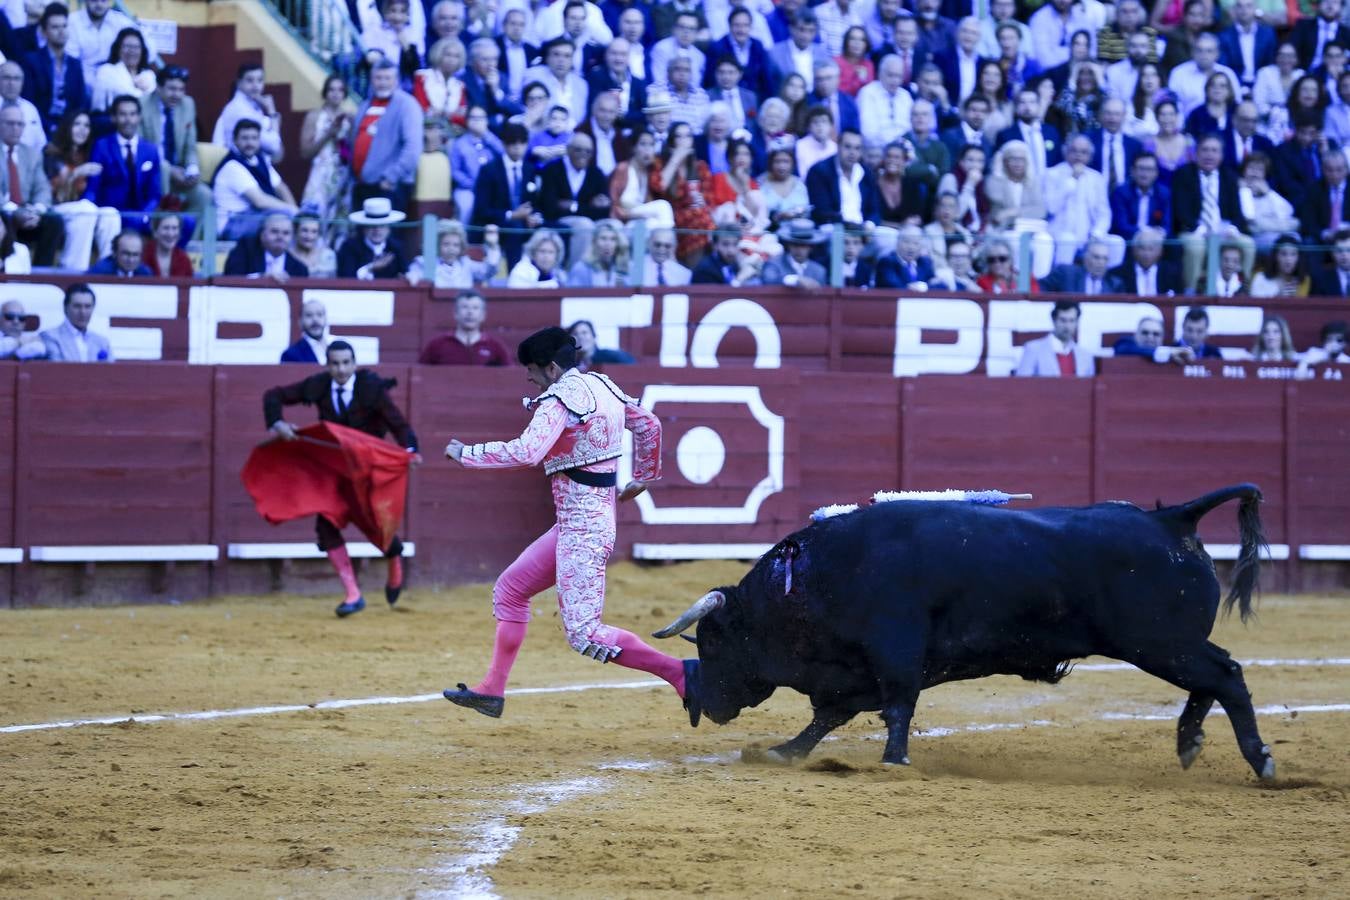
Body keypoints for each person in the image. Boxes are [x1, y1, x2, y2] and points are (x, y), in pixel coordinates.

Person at [442, 327, 694, 723]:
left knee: (585, 633)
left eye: (532, 369)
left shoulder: (560, 400)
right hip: (578, 522)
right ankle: (492, 691)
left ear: (552, 367)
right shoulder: (603, 386)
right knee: (510, 590)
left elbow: (528, 452)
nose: (529, 377)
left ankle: (680, 673)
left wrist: (467, 453)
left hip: (584, 530)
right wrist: (644, 477)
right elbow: (649, 426)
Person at [263, 340, 420, 617]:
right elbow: (273, 395)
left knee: (377, 529)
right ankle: (353, 594)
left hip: (366, 472)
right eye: (335, 363)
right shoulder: (320, 385)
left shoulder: (371, 388)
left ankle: (394, 555)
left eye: (346, 362)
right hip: (335, 472)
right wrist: (278, 423)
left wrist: (410, 451)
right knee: (325, 526)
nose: (341, 369)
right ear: (327, 364)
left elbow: (400, 425)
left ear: (355, 363)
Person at [1172, 133, 1253, 292]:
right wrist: (1201, 230)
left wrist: (1232, 229)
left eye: (1214, 151)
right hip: (1193, 230)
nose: (1209, 155)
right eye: (1205, 150)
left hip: (1223, 231)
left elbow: (1237, 213)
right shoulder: (1183, 174)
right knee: (1196, 246)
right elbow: (1180, 211)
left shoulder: (1229, 177)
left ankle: (1242, 290)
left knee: (1248, 245)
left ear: (1221, 155)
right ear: (1196, 153)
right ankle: (1191, 292)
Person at [43, 109, 117, 271]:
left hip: (79, 208)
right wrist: (76, 173)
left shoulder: (88, 154)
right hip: (53, 208)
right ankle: (73, 271)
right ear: (67, 127)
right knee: (86, 209)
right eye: (77, 124)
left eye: (86, 125)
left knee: (111, 214)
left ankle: (109, 270)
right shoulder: (51, 153)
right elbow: (49, 193)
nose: (82, 129)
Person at [351, 59, 423, 212]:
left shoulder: (407, 105)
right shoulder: (365, 105)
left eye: (387, 78)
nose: (382, 83)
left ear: (396, 81)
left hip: (388, 186)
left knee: (385, 234)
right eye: (378, 78)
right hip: (362, 185)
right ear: (371, 80)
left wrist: (391, 177)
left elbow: (413, 148)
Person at [82, 93, 160, 233]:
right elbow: (93, 186)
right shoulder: (102, 146)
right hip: (111, 214)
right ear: (113, 118)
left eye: (132, 114)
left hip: (142, 215)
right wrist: (89, 210)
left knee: (185, 224)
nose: (128, 120)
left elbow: (154, 194)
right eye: (122, 114)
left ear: (139, 117)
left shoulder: (151, 150)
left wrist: (146, 215)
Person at [471, 121, 541, 266]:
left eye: (522, 143)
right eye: (513, 143)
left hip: (523, 222)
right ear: (503, 144)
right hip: (496, 223)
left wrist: (534, 216)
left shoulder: (530, 169)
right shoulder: (489, 170)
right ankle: (514, 279)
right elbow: (481, 210)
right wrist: (512, 215)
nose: (517, 147)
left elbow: (535, 203)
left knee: (551, 227)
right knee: (514, 229)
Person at [0, 101, 59, 265]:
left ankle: (42, 273)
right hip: (4, 213)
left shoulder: (32, 154)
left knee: (54, 221)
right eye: (10, 123)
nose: (15, 128)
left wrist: (37, 210)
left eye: (20, 124)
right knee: (4, 217)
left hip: (27, 214)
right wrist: (15, 211)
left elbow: (42, 188)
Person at [20, 2, 89, 138]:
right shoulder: (32, 61)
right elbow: (29, 102)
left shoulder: (75, 64)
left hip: (69, 129)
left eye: (64, 26)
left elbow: (80, 103)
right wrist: (50, 127)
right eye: (55, 27)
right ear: (45, 32)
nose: (61, 31)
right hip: (39, 127)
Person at [651, 120, 713, 263]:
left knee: (703, 219)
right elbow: (658, 187)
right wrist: (676, 159)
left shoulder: (700, 166)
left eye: (688, 136)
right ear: (672, 141)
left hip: (699, 216)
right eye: (679, 137)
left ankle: (698, 269)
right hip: (671, 216)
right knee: (701, 222)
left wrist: (703, 201)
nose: (684, 141)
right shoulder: (660, 162)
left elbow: (709, 199)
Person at [299, 75, 355, 226]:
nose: (336, 94)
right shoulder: (314, 116)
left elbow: (351, 152)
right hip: (320, 174)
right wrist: (328, 134)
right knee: (313, 219)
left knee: (340, 222)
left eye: (340, 90)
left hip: (342, 173)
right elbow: (305, 153)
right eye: (331, 89)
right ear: (325, 92)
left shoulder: (349, 118)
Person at [418, 289, 510, 365]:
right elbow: (420, 375)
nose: (470, 312)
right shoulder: (437, 345)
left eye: (475, 308)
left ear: (483, 315)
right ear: (455, 313)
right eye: (465, 307)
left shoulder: (495, 347)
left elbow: (510, 378)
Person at [212, 63, 283, 162]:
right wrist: (272, 113)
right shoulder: (239, 109)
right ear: (239, 83)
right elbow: (274, 146)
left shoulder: (252, 105)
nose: (256, 86)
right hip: (240, 166)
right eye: (250, 80)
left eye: (260, 80)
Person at [1015, 300, 1095, 377]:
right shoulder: (1033, 349)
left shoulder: (1085, 356)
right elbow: (1022, 385)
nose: (1067, 326)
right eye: (1063, 320)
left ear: (1077, 322)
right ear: (1054, 320)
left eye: (1072, 320)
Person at [406, 218, 494, 287]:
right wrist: (413, 276)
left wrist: (492, 245)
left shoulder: (466, 264)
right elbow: (413, 273)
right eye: (446, 244)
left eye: (456, 245)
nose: (451, 249)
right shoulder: (424, 262)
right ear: (437, 245)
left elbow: (488, 271)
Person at [338, 197, 410, 280]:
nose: (377, 230)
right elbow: (346, 278)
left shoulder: (396, 248)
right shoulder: (350, 247)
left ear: (389, 229)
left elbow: (405, 272)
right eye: (372, 226)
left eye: (382, 225)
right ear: (364, 228)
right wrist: (370, 268)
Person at [224, 212, 309, 280]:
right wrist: (261, 278)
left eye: (286, 233)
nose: (280, 237)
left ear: (292, 237)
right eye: (274, 231)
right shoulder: (244, 251)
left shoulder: (300, 269)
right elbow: (231, 279)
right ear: (262, 234)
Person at [40, 282, 111, 362]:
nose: (83, 312)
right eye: (77, 306)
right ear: (65, 307)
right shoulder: (51, 337)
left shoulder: (102, 342)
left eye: (87, 306)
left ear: (93, 308)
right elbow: (58, 370)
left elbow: (111, 372)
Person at [90, 26, 154, 111]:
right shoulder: (106, 71)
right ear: (118, 49)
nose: (132, 51)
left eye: (136, 47)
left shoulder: (149, 75)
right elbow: (97, 108)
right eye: (127, 46)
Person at [1109, 225, 1183, 296]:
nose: (1146, 254)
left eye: (1151, 249)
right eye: (1142, 248)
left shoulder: (1172, 274)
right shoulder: (1118, 274)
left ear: (1160, 251)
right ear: (1134, 250)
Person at [413, 36, 468, 126]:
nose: (452, 60)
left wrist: (444, 114)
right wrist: (452, 114)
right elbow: (422, 109)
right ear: (438, 55)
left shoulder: (459, 85)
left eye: (456, 56)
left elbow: (463, 118)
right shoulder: (422, 77)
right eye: (448, 55)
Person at [762, 217, 827, 287]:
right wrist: (796, 279)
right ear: (788, 245)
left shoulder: (818, 270)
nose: (799, 249)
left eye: (803, 246)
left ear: (811, 247)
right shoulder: (774, 264)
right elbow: (769, 280)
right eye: (795, 245)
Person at [567, 218, 628, 287]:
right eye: (603, 238)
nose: (608, 244)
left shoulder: (623, 268)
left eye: (613, 239)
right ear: (594, 242)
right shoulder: (581, 268)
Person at [691, 225, 759, 286]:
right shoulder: (705, 270)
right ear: (715, 245)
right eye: (725, 244)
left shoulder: (733, 263)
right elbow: (718, 298)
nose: (731, 250)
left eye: (735, 244)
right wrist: (739, 279)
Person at [568, 318, 635, 370]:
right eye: (575, 334)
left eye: (584, 333)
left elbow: (632, 365)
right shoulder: (570, 364)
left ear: (594, 337)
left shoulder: (609, 356)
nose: (580, 337)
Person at [141, 212, 192, 277]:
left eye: (174, 228)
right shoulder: (143, 255)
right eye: (166, 228)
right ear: (155, 232)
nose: (170, 234)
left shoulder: (184, 259)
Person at [280, 298, 328, 364]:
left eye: (319, 314)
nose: (315, 319)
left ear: (326, 319)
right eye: (309, 315)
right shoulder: (290, 355)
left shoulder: (337, 344)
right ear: (300, 322)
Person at [292, 213, 338, 278]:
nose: (309, 236)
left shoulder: (328, 256)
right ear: (296, 231)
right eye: (304, 230)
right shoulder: (287, 256)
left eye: (314, 231)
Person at [1311, 228, 1350, 295]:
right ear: (1333, 253)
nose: (1344, 255)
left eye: (1348, 250)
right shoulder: (1321, 280)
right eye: (1339, 250)